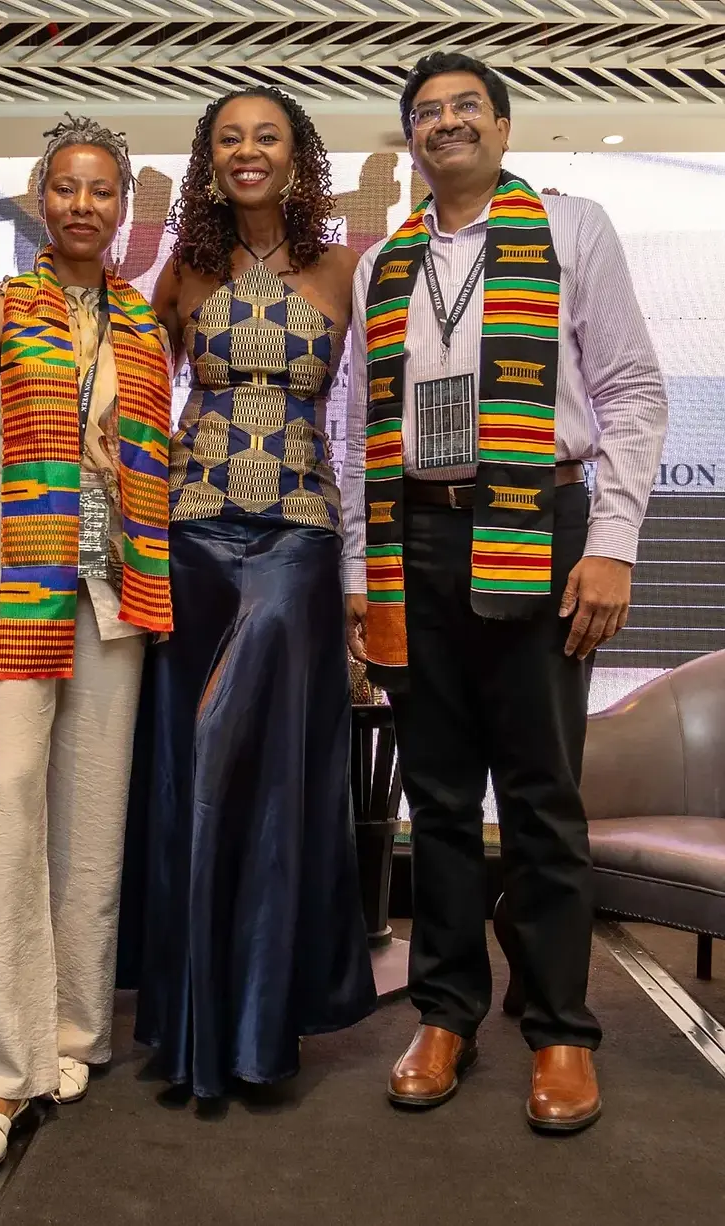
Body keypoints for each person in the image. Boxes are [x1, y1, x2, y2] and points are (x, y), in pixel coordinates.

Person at [341, 51, 667, 1133]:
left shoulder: (571, 232)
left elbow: (626, 389)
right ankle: (443, 1009)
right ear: (408, 141)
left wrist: (612, 541)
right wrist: (355, 570)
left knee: (539, 793)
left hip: (539, 521)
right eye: (425, 114)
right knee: (434, 796)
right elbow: (357, 434)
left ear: (503, 126)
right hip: (412, 538)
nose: (445, 125)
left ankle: (562, 1026)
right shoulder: (382, 264)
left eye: (463, 109)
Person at [0, 116, 173, 1170]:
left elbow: (148, 460)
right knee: (7, 804)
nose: (81, 205)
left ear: (121, 208)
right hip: (3, 587)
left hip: (112, 594)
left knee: (89, 822)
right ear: (37, 200)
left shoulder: (143, 328)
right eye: (63, 188)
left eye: (100, 190)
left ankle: (72, 1030)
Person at [123, 85, 377, 1101]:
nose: (246, 151)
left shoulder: (343, 267)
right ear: (207, 157)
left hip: (300, 538)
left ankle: (259, 1025)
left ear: (295, 153)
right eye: (227, 138)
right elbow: (134, 401)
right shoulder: (181, 269)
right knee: (193, 761)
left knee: (269, 768)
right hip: (191, 534)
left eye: (264, 135)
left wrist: (366, 564)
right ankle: (191, 1022)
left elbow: (369, 415)